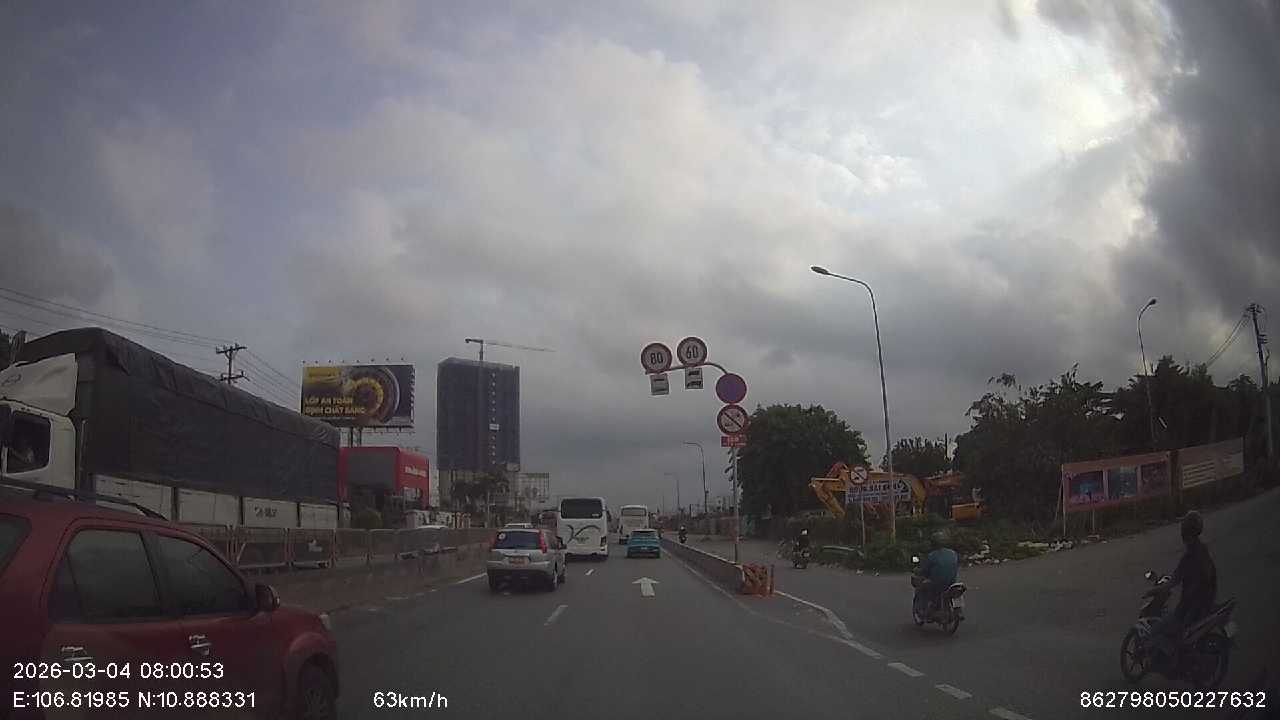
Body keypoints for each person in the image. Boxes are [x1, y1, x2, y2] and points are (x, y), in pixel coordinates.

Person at [1151, 511, 1217, 659]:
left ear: (1184, 532)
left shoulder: (1189, 557)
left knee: (1155, 632)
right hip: (1205, 605)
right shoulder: (1203, 549)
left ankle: (1174, 660)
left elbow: (1173, 582)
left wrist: (1153, 591)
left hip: (1190, 609)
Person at [915, 531, 959, 617]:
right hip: (952, 582)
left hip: (937, 584)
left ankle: (926, 609)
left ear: (933, 543)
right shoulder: (953, 553)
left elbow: (925, 570)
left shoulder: (932, 555)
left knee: (922, 588)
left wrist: (918, 571)